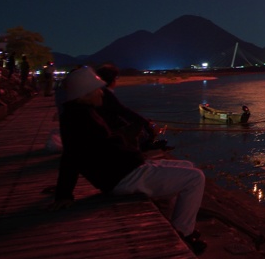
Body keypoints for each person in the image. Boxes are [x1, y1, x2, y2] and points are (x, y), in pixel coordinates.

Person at [52, 66, 207, 255]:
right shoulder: (81, 119)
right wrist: (64, 194)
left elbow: (75, 154)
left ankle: (180, 222)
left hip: (125, 169)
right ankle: (183, 232)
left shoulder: (80, 114)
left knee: (187, 166)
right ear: (84, 95)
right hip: (123, 176)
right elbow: (72, 156)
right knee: (195, 178)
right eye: (97, 89)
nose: (102, 93)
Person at [95, 63, 164, 151]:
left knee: (142, 122)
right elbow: (123, 111)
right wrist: (147, 123)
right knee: (140, 124)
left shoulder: (100, 93)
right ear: (113, 80)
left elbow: (120, 111)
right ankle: (142, 147)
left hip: (107, 128)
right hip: (111, 131)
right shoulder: (106, 95)